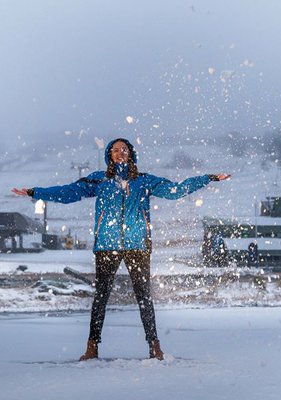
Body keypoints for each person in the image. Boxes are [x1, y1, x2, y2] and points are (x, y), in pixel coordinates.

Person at [12, 138, 230, 361]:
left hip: (137, 245)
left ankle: (154, 346)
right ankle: (92, 347)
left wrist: (207, 178)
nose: (120, 153)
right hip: (107, 245)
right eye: (115, 150)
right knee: (101, 296)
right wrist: (35, 192)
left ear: (131, 154)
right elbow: (68, 193)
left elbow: (175, 190)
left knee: (144, 296)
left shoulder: (144, 181)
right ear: (109, 155)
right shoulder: (100, 180)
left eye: (124, 150)